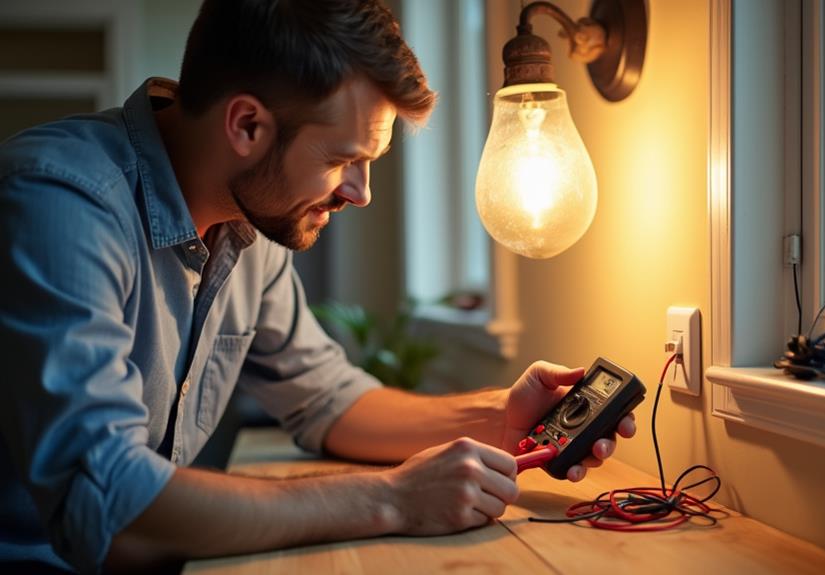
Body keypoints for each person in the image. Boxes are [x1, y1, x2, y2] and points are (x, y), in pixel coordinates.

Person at [0, 1, 636, 573]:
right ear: (247, 125)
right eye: (341, 160)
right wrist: (390, 500)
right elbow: (107, 495)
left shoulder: (246, 225)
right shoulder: (62, 201)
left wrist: (502, 414)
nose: (360, 193)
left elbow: (328, 400)